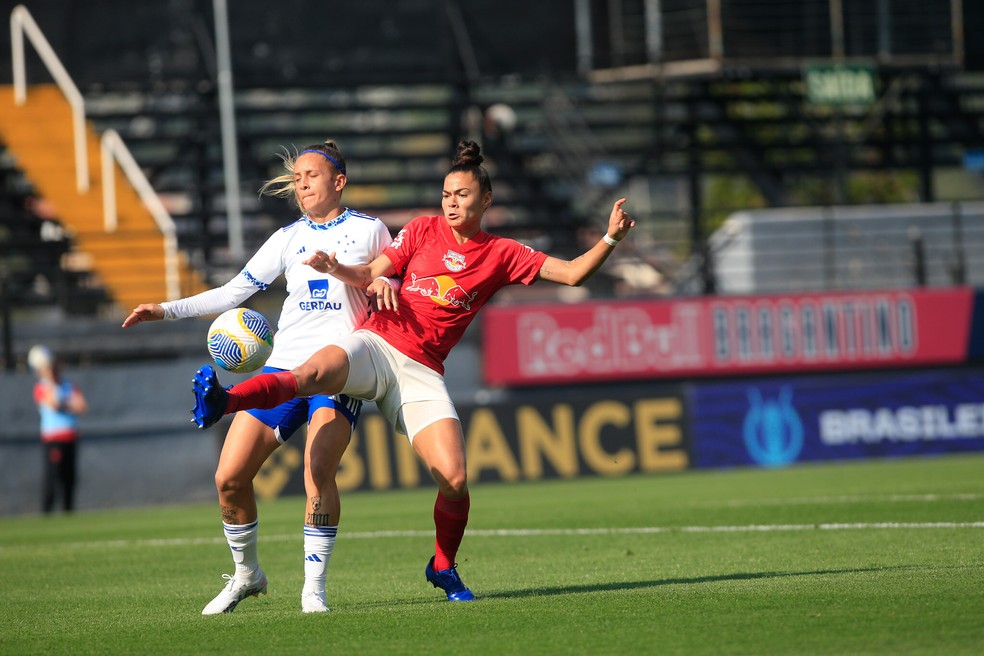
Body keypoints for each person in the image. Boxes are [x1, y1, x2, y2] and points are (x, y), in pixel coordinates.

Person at [190, 140, 636, 603]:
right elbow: (371, 274)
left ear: (485, 200)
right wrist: (344, 268)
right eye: (446, 194)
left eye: (462, 195)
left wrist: (609, 239)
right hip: (375, 344)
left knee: (455, 479)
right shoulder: (422, 230)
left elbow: (572, 274)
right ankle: (228, 400)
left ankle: (443, 565)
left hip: (421, 371)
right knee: (312, 371)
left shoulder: (503, 253)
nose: (451, 203)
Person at [123, 140, 398, 614]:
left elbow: (392, 276)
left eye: (312, 175)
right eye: (297, 178)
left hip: (337, 369)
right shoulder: (287, 237)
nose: (302, 183)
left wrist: (382, 282)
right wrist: (165, 310)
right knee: (229, 478)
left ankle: (313, 588)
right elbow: (233, 293)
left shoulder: (370, 230)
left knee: (318, 473)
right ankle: (248, 574)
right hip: (282, 368)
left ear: (339, 181)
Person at [29, 344, 88, 514]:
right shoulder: (42, 387)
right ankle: (47, 513)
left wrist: (67, 404)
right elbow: (54, 404)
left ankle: (68, 512)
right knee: (52, 478)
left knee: (69, 478)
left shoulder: (69, 385)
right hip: (53, 439)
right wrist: (68, 403)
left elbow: (82, 406)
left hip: (70, 436)